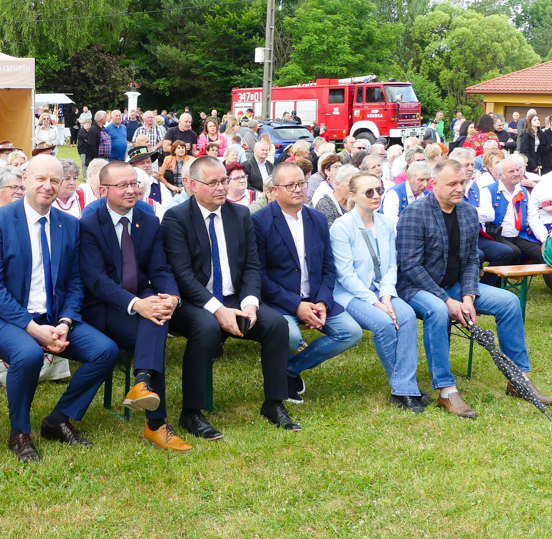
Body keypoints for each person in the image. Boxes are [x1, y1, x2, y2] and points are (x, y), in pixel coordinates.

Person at [0, 155, 120, 462]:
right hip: (1, 318)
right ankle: (19, 433)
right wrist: (32, 328)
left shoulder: (69, 225)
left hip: (52, 317)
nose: (48, 186)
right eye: (41, 179)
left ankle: (58, 419)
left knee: (105, 350)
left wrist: (65, 322)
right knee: (29, 354)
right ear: (25, 178)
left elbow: (75, 281)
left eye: (55, 180)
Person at [397, 160, 552, 418]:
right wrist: (447, 299)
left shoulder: (468, 212)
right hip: (417, 287)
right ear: (434, 185)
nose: (460, 188)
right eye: (453, 184)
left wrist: (468, 296)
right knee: (437, 310)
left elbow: (472, 259)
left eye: (463, 183)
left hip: (457, 285)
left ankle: (519, 379)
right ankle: (446, 390)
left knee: (509, 302)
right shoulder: (415, 213)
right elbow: (410, 266)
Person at [162, 156, 299, 439]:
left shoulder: (239, 215)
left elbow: (251, 266)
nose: (221, 188)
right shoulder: (176, 218)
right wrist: (217, 310)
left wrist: (250, 303)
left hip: (235, 297)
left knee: (275, 324)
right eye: (212, 183)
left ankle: (274, 403)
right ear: (190, 184)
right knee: (207, 327)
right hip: (193, 301)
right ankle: (192, 411)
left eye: (223, 180)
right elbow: (183, 276)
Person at [79, 161, 191, 452]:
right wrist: (136, 304)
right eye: (123, 185)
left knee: (158, 315)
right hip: (102, 308)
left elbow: (160, 267)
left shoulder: (148, 220)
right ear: (103, 190)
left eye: (134, 184)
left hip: (141, 298)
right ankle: (156, 426)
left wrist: (171, 297)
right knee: (153, 323)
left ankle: (142, 383)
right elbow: (96, 280)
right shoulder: (89, 225)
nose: (132, 190)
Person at [253, 162, 363, 404]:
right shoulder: (259, 222)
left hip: (316, 297)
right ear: (274, 190)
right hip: (279, 302)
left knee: (351, 333)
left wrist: (322, 300)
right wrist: (296, 306)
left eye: (301, 183)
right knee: (290, 337)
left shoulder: (318, 219)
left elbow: (328, 266)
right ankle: (283, 374)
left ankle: (289, 370)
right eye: (290, 185)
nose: (298, 189)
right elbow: (259, 275)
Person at [330, 173, 424, 412]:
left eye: (379, 190)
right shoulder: (341, 227)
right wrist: (376, 302)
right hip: (350, 293)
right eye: (369, 192)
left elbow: (392, 264)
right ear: (352, 196)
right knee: (384, 323)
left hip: (382, 288)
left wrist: (386, 296)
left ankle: (403, 388)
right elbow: (346, 275)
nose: (376, 196)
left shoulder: (385, 223)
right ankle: (405, 388)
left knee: (407, 316)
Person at [479, 155, 552, 298]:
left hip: (518, 236)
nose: (516, 173)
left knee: (546, 252)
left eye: (518, 170)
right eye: (511, 171)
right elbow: (485, 216)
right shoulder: (488, 191)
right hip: (495, 236)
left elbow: (533, 218)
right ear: (501, 175)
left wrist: (545, 240)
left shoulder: (522, 191)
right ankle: (485, 286)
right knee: (512, 251)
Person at [448, 148, 520, 287]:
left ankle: (486, 287)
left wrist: (467, 211)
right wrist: (476, 212)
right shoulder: (450, 186)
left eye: (472, 165)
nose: (470, 168)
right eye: (466, 165)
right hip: (455, 237)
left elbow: (489, 214)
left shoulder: (476, 185)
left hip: (476, 235)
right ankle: (467, 287)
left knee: (506, 252)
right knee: (478, 255)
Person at [381, 161, 431, 228]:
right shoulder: (394, 194)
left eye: (427, 180)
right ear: (409, 178)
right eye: (421, 180)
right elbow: (391, 222)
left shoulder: (427, 195)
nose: (425, 184)